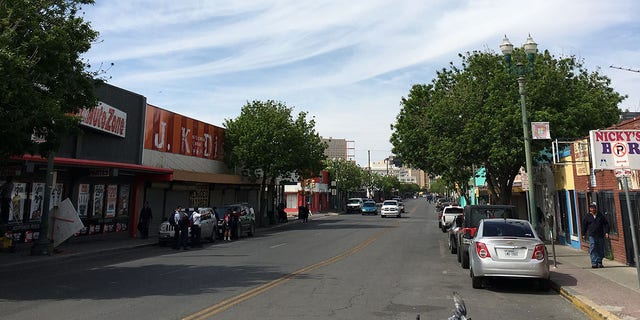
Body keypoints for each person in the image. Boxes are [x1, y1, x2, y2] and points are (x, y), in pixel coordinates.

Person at [581, 202, 610, 268]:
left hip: (600, 234)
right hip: (592, 235)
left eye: (594, 208)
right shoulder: (587, 216)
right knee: (593, 247)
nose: (593, 209)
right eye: (591, 208)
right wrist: (583, 234)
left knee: (600, 248)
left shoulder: (600, 216)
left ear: (596, 208)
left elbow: (606, 224)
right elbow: (584, 226)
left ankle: (599, 262)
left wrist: (607, 232)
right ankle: (594, 262)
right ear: (589, 209)